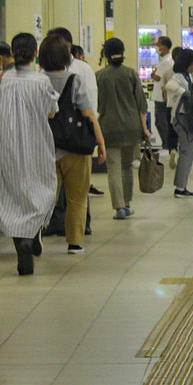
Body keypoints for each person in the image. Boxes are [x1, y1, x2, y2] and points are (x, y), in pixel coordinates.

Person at [0, 33, 59, 276]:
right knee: (41, 190)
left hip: (10, 146)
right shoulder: (41, 81)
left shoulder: (3, 79)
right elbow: (52, 112)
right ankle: (33, 234)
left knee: (12, 195)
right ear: (35, 54)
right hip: (38, 145)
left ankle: (20, 240)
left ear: (12, 52)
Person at [39, 35, 106, 253]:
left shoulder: (36, 81)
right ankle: (75, 242)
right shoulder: (75, 80)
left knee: (44, 197)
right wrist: (101, 143)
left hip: (44, 148)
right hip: (75, 149)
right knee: (77, 197)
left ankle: (37, 232)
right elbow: (88, 114)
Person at [95, 37, 151, 219]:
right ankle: (127, 204)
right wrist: (145, 128)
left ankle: (118, 207)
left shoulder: (99, 76)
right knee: (127, 167)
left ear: (105, 55)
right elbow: (141, 105)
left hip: (108, 128)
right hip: (131, 127)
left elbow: (95, 105)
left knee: (113, 169)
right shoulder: (131, 74)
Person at [163, 50, 193, 197]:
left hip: (187, 117)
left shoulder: (189, 76)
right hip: (181, 117)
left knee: (188, 151)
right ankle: (180, 187)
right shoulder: (177, 77)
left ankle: (181, 185)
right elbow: (169, 86)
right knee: (187, 151)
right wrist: (183, 92)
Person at [150, 36, 177, 161]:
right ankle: (165, 145)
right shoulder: (164, 60)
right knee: (159, 121)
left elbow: (157, 77)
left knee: (162, 121)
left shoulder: (167, 61)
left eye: (159, 45)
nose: (157, 47)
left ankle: (167, 145)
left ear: (165, 47)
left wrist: (153, 74)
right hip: (159, 95)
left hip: (162, 97)